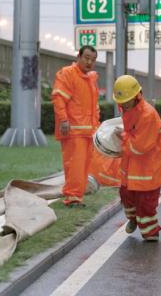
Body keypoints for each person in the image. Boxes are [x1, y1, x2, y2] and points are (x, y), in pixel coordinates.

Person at [113, 75, 161, 241]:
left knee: (145, 203)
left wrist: (121, 136)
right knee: (126, 195)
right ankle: (133, 219)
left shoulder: (147, 114)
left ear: (137, 96)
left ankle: (151, 233)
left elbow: (140, 146)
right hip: (132, 165)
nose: (123, 104)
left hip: (147, 168)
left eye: (127, 100)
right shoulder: (128, 109)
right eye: (121, 101)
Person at [51, 45, 100, 207]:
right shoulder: (68, 74)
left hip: (87, 131)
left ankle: (76, 195)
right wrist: (64, 120)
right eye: (86, 58)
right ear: (78, 57)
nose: (89, 62)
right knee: (75, 165)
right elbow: (58, 98)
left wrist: (96, 127)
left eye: (93, 59)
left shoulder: (91, 78)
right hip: (73, 130)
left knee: (83, 166)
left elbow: (94, 106)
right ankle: (72, 197)